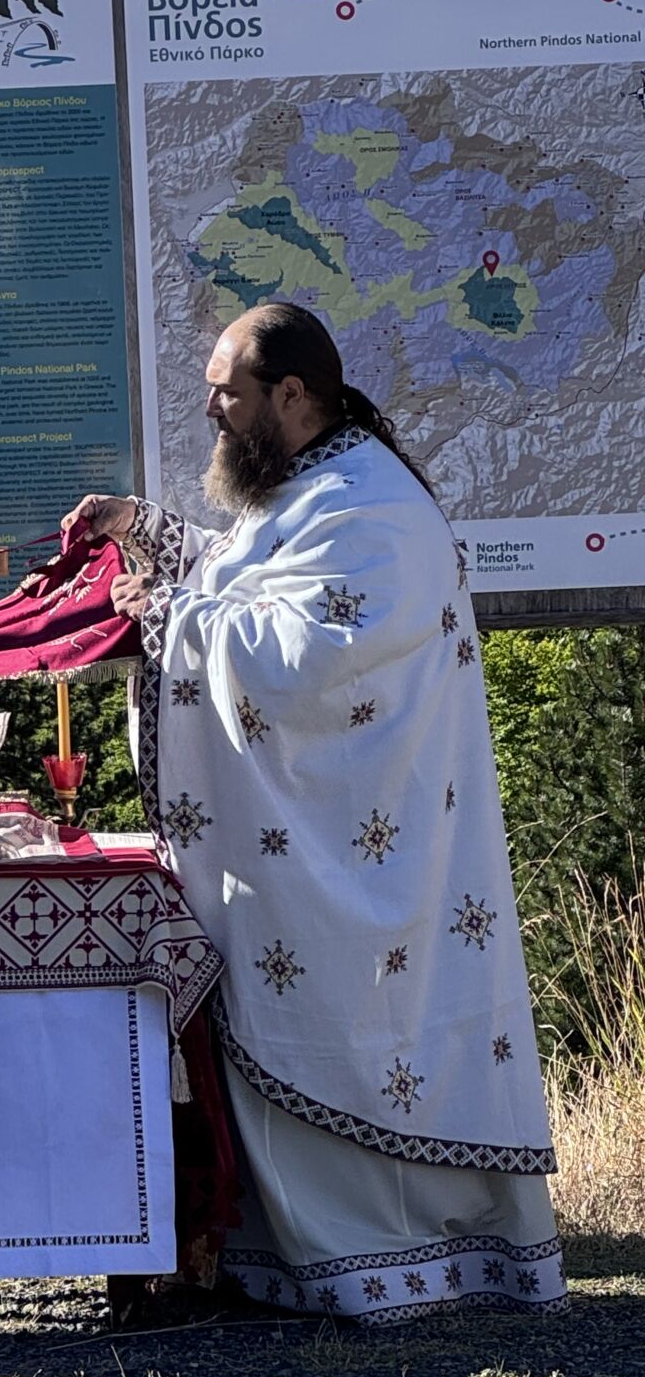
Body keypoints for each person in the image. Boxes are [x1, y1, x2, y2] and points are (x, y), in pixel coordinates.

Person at [64, 301, 564, 1323]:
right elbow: (254, 583)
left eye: (227, 392)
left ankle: (386, 1259)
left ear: (290, 394)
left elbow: (304, 658)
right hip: (337, 838)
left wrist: (169, 617)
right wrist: (146, 534)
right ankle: (281, 1258)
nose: (211, 410)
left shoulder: (372, 507)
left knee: (360, 1034)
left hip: (369, 852)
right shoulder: (316, 485)